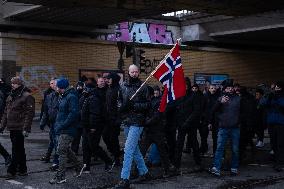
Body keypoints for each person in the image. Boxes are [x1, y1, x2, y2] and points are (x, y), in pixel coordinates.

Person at [115, 65, 151, 189]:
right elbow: (118, 101)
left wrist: (134, 105)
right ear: (128, 72)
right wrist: (122, 106)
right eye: (132, 71)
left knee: (128, 149)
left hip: (138, 122)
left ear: (138, 72)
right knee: (134, 149)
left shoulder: (143, 86)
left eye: (136, 71)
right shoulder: (123, 86)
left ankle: (125, 179)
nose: (134, 73)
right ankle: (144, 172)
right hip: (126, 121)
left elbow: (148, 104)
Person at [0, 76, 35, 179]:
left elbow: (30, 114)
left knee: (15, 149)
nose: (12, 85)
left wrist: (26, 128)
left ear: (19, 84)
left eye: (14, 83)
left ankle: (12, 171)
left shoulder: (26, 96)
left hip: (20, 127)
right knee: (20, 149)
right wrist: (2, 126)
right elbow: (6, 112)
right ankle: (23, 169)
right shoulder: (11, 96)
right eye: (12, 83)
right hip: (12, 127)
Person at [49, 78, 82, 184]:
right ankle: (79, 166)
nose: (55, 87)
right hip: (61, 128)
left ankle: (60, 176)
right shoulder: (63, 96)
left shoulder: (71, 97)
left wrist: (63, 125)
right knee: (65, 149)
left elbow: (73, 114)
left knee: (61, 151)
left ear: (61, 87)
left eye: (57, 86)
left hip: (68, 129)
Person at [209, 80, 241, 176]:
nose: (230, 89)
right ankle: (216, 168)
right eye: (227, 88)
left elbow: (243, 112)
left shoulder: (238, 98)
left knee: (235, 149)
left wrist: (239, 121)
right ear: (224, 89)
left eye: (231, 87)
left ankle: (234, 167)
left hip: (235, 127)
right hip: (223, 127)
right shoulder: (220, 98)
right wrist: (220, 102)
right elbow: (212, 110)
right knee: (219, 148)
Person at [140, 85, 173, 177]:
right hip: (149, 131)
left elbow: (158, 115)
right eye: (153, 92)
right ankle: (137, 170)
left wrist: (147, 122)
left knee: (162, 152)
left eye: (156, 92)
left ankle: (167, 170)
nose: (155, 94)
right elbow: (146, 112)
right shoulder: (150, 101)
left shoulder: (161, 102)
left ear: (159, 92)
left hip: (157, 131)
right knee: (142, 151)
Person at [80, 84, 113, 173]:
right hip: (86, 126)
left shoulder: (93, 98)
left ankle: (108, 161)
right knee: (85, 146)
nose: (83, 90)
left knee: (93, 146)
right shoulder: (86, 98)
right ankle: (86, 166)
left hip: (93, 127)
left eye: (85, 89)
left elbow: (95, 114)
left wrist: (93, 126)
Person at [261, 81, 284, 171]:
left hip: (281, 123)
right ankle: (276, 159)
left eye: (278, 87)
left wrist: (277, 98)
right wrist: (268, 97)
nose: (276, 89)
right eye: (275, 87)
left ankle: (280, 162)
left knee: (280, 144)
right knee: (273, 143)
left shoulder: (281, 96)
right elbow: (263, 104)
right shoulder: (271, 96)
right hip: (272, 123)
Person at [40, 78, 60, 170]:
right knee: (53, 141)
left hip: (59, 123)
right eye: (52, 84)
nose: (54, 86)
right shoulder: (49, 96)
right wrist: (43, 122)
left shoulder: (63, 96)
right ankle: (50, 157)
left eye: (55, 84)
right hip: (52, 123)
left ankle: (56, 161)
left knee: (57, 142)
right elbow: (46, 110)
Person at [104, 72, 122, 166]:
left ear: (113, 79)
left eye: (109, 78)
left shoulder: (118, 90)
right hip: (108, 119)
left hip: (114, 119)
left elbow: (119, 106)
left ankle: (116, 158)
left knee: (114, 139)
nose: (107, 80)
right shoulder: (109, 89)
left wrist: (118, 119)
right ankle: (115, 153)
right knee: (106, 136)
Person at [71, 81, 85, 155]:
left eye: (80, 86)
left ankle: (87, 153)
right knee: (76, 139)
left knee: (84, 139)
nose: (79, 87)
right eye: (78, 86)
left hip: (82, 121)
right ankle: (74, 152)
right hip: (77, 121)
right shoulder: (74, 95)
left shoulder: (84, 95)